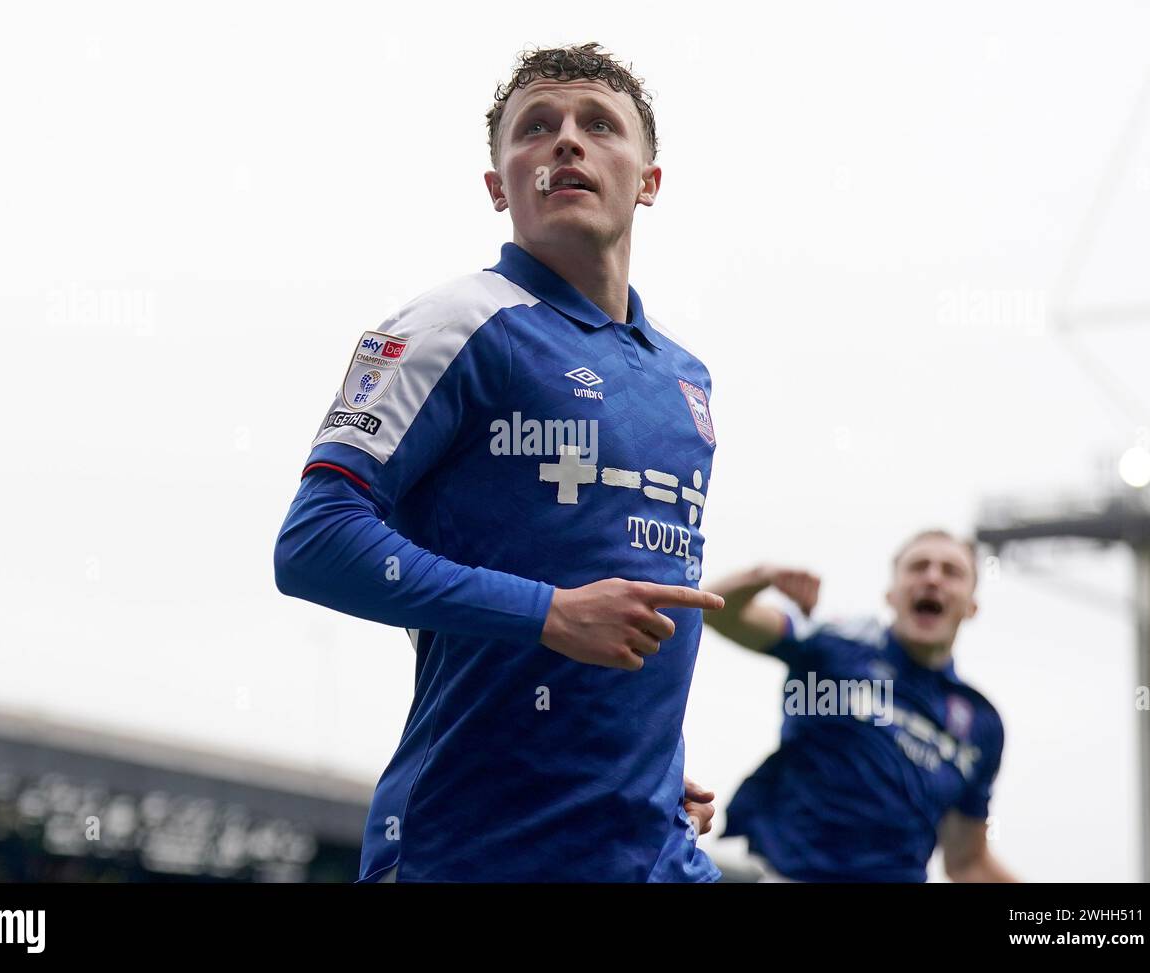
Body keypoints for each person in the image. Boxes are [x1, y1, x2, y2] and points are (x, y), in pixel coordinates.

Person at [274, 42, 724, 882]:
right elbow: (312, 544)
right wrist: (549, 612)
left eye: (598, 125)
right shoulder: (453, 323)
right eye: (536, 129)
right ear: (498, 187)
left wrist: (641, 764)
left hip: (648, 850)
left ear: (650, 180)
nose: (566, 142)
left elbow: (625, 596)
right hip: (475, 847)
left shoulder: (687, 379)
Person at [705, 529, 1018, 882]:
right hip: (781, 872)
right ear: (891, 594)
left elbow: (966, 862)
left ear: (971, 606)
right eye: (918, 567)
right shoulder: (834, 647)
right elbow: (717, 612)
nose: (932, 578)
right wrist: (762, 576)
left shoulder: (981, 723)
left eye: (951, 571)